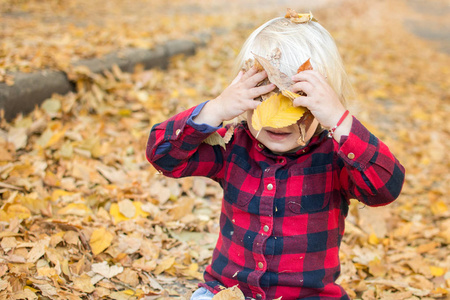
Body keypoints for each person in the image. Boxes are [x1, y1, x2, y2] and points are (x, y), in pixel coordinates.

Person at [146, 11, 405, 300]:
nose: (278, 119)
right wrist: (215, 109)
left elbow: (386, 187)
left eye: (298, 100)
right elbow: (163, 155)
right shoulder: (232, 145)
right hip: (228, 292)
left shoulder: (335, 158)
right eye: (262, 96)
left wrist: (339, 119)